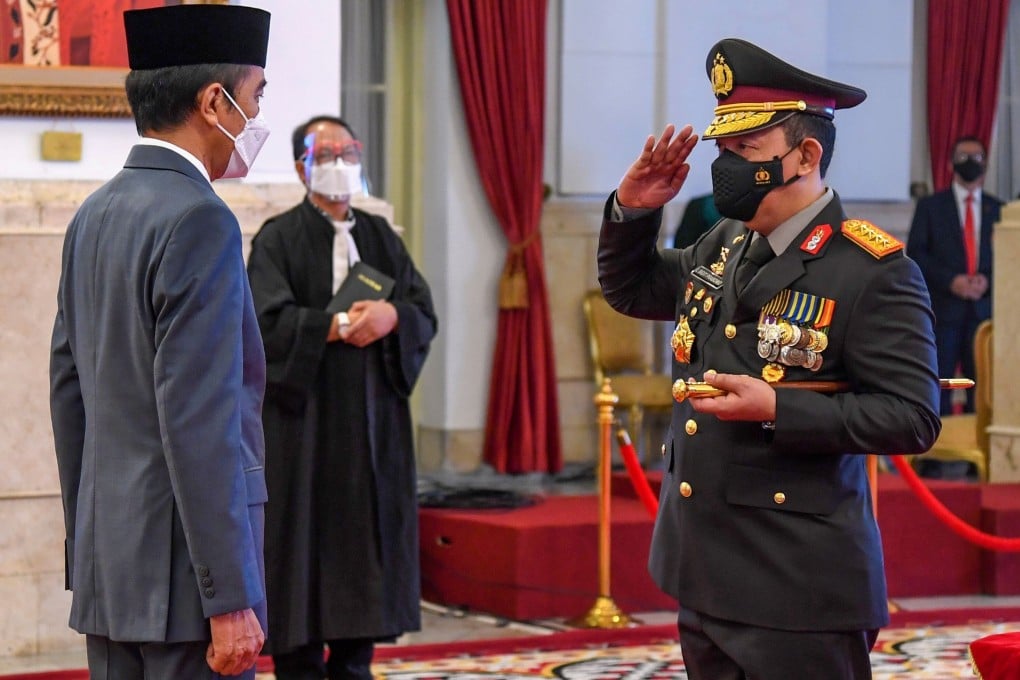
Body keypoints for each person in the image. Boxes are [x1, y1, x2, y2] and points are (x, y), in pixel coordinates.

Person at [597, 38, 941, 679]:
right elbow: (634, 288)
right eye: (721, 151)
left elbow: (912, 417)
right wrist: (634, 212)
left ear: (805, 155)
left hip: (798, 581)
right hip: (702, 567)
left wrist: (777, 408)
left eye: (744, 151)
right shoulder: (723, 242)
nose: (724, 166)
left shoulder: (871, 271)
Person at [49, 4, 271, 678]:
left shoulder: (95, 212)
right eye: (256, 96)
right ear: (214, 101)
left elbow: (69, 394)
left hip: (110, 569)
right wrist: (228, 595)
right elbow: (200, 420)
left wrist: (87, 546)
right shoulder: (200, 220)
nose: (257, 118)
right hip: (185, 583)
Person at [246, 115, 437, 680]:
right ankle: (299, 664)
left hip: (373, 425)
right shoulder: (277, 238)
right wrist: (330, 328)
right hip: (302, 428)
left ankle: (355, 663)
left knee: (365, 552)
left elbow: (423, 310)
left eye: (347, 149)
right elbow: (263, 321)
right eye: (324, 151)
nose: (338, 160)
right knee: (298, 553)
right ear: (303, 164)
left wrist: (391, 315)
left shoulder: (380, 237)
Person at [907, 136, 1002, 416]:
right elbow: (917, 254)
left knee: (983, 387)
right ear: (951, 164)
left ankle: (979, 454)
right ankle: (937, 453)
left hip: (984, 314)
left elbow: (1008, 257)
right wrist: (952, 281)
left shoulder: (999, 209)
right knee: (939, 383)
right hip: (943, 311)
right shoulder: (931, 207)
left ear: (985, 164)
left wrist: (987, 279)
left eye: (976, 158)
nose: (970, 164)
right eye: (963, 157)